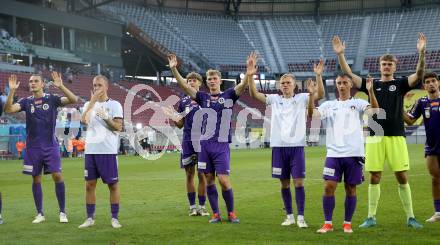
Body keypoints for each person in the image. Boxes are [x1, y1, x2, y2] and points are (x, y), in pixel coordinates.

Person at [332, 33, 426, 229]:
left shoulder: (400, 84)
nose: (386, 67)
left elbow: (419, 73)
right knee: (374, 176)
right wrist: (341, 55)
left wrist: (422, 53)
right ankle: (371, 217)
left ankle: (410, 216)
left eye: (390, 64)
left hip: (396, 136)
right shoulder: (370, 84)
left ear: (394, 66)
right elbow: (348, 74)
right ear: (379, 66)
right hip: (375, 136)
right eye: (384, 64)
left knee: (402, 175)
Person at [169, 53, 249, 223]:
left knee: (223, 180)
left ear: (220, 80)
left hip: (220, 145)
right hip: (204, 145)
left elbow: (242, 87)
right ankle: (215, 214)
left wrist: (249, 74)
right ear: (206, 82)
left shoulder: (228, 95)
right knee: (209, 179)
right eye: (209, 79)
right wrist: (174, 68)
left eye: (214, 78)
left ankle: (231, 213)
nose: (211, 81)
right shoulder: (202, 97)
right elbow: (184, 86)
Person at [247, 52, 325, 228]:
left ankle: (301, 217)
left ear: (294, 85)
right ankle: (289, 215)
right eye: (282, 83)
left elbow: (319, 93)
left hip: (296, 146)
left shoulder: (302, 98)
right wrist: (250, 76)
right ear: (279, 86)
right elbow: (254, 94)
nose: (285, 85)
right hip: (278, 147)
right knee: (283, 184)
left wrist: (318, 76)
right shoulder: (274, 99)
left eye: (288, 82)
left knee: (298, 182)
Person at [3, 72, 78, 223]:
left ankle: (62, 212)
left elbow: (73, 99)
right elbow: (8, 110)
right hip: (33, 147)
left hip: (50, 145)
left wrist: (61, 85)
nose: (32, 83)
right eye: (31, 81)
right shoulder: (26, 101)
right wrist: (12, 91)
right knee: (36, 178)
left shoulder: (52, 99)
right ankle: (40, 213)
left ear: (42, 84)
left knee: (57, 175)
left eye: (36, 81)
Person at [310, 75, 378, 233]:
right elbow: (312, 115)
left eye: (345, 83)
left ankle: (347, 223)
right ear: (336, 85)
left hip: (354, 153)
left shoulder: (358, 103)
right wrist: (311, 97)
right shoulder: (328, 105)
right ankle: (328, 223)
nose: (341, 86)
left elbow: (374, 112)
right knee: (328, 187)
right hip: (333, 154)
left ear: (351, 84)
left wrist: (370, 91)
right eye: (339, 83)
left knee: (351, 188)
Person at [79, 75, 123, 229]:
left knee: (112, 185)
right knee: (89, 185)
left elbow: (118, 127)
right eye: (94, 85)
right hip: (91, 150)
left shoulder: (115, 105)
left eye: (99, 85)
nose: (96, 88)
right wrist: (92, 103)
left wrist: (106, 118)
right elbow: (83, 121)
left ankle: (115, 218)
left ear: (106, 87)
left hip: (108, 151)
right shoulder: (87, 105)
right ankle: (90, 218)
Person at [163, 71, 208, 217]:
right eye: (189, 81)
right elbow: (180, 124)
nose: (191, 82)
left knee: (202, 175)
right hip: (188, 141)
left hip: (202, 141)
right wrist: (173, 117)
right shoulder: (183, 102)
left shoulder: (206, 99)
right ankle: (192, 207)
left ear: (200, 83)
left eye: (194, 80)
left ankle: (202, 206)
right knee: (189, 174)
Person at [404, 71, 440, 223]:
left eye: (433, 80)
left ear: (438, 83)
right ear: (424, 86)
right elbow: (410, 121)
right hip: (432, 147)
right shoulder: (422, 102)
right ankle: (438, 212)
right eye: (428, 82)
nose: (431, 83)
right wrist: (397, 106)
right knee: (435, 179)